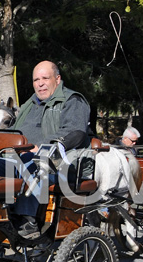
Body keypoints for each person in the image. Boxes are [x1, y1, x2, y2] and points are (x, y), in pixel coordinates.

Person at [9, 60, 92, 237]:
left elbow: (75, 130)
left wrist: (41, 147)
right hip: (19, 157)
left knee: (35, 163)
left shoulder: (73, 100)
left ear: (58, 79)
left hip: (60, 161)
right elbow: (13, 131)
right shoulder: (28, 105)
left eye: (45, 78)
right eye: (36, 80)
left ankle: (27, 219)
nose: (40, 83)